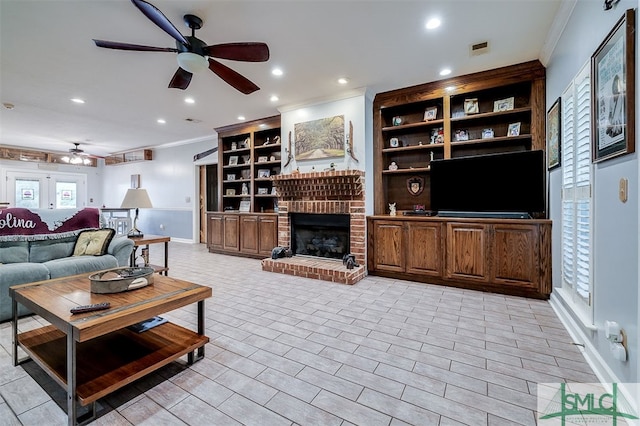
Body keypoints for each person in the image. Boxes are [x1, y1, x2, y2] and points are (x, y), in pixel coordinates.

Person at [606, 74, 623, 138]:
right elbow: (610, 113)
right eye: (614, 85)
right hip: (613, 128)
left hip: (619, 129)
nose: (615, 88)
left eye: (617, 86)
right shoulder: (611, 99)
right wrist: (610, 122)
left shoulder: (621, 98)